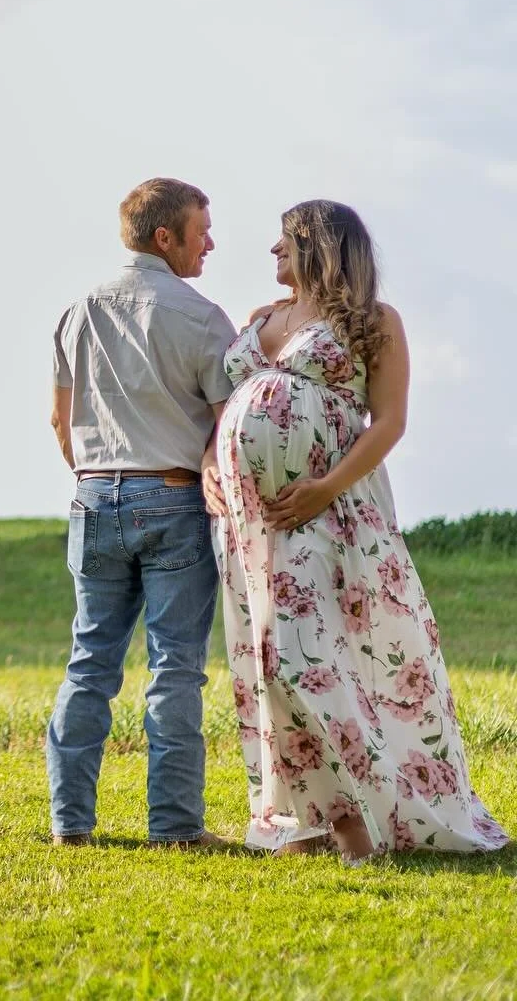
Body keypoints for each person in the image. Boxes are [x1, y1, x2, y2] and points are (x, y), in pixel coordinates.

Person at [213, 200, 509, 863]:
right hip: (252, 525)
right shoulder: (261, 318)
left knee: (305, 658)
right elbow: (227, 407)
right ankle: (311, 818)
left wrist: (324, 487)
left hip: (331, 513)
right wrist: (214, 459)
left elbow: (389, 423)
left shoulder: (374, 321)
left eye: (284, 241)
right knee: (267, 663)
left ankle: (358, 822)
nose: (271, 253)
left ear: (320, 245)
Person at [48, 178, 237, 847]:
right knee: (175, 667)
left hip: (93, 494)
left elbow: (59, 420)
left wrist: (99, 477)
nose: (210, 242)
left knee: (89, 662)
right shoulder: (203, 317)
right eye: (201, 229)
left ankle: (70, 824)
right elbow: (228, 431)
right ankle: (176, 827)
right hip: (175, 497)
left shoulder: (79, 310)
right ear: (166, 236)